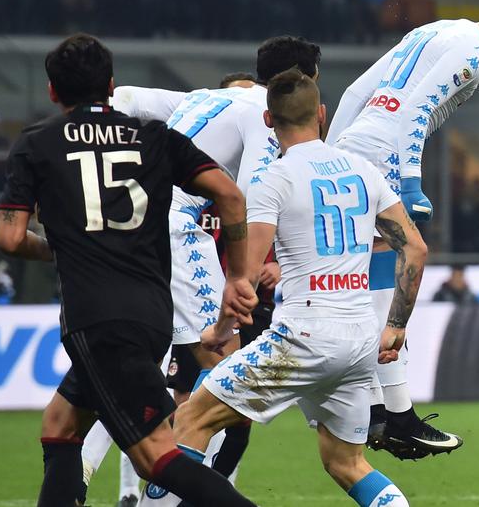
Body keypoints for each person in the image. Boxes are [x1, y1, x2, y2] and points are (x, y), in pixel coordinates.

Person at [0, 34, 258, 507]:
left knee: (155, 458)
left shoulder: (36, 144)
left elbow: (11, 238)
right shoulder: (154, 136)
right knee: (60, 425)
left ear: (53, 91)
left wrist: (59, 248)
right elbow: (231, 196)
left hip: (96, 319)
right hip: (153, 313)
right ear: (111, 86)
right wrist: (239, 277)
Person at [168, 69, 425, 506]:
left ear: (268, 120)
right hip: (360, 338)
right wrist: (396, 326)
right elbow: (414, 248)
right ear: (321, 114)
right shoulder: (364, 171)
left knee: (190, 421)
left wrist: (220, 331)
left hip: (303, 335)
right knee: (346, 463)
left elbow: (245, 280)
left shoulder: (274, 178)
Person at [326, 0, 479, 458]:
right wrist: (411, 182)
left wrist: (325, 159)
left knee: (369, 281)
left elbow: (354, 93)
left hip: (352, 148)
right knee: (403, 266)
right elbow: (415, 114)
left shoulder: (434, 30)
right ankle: (397, 414)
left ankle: (378, 409)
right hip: (383, 157)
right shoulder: (473, 53)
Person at [107, 35, 321, 503]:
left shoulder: (205, 97)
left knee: (117, 369)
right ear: (306, 84)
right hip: (173, 227)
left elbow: (124, 97)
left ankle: (94, 480)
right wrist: (243, 275)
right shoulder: (263, 116)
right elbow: (248, 198)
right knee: (223, 363)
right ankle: (172, 492)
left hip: (124, 224)